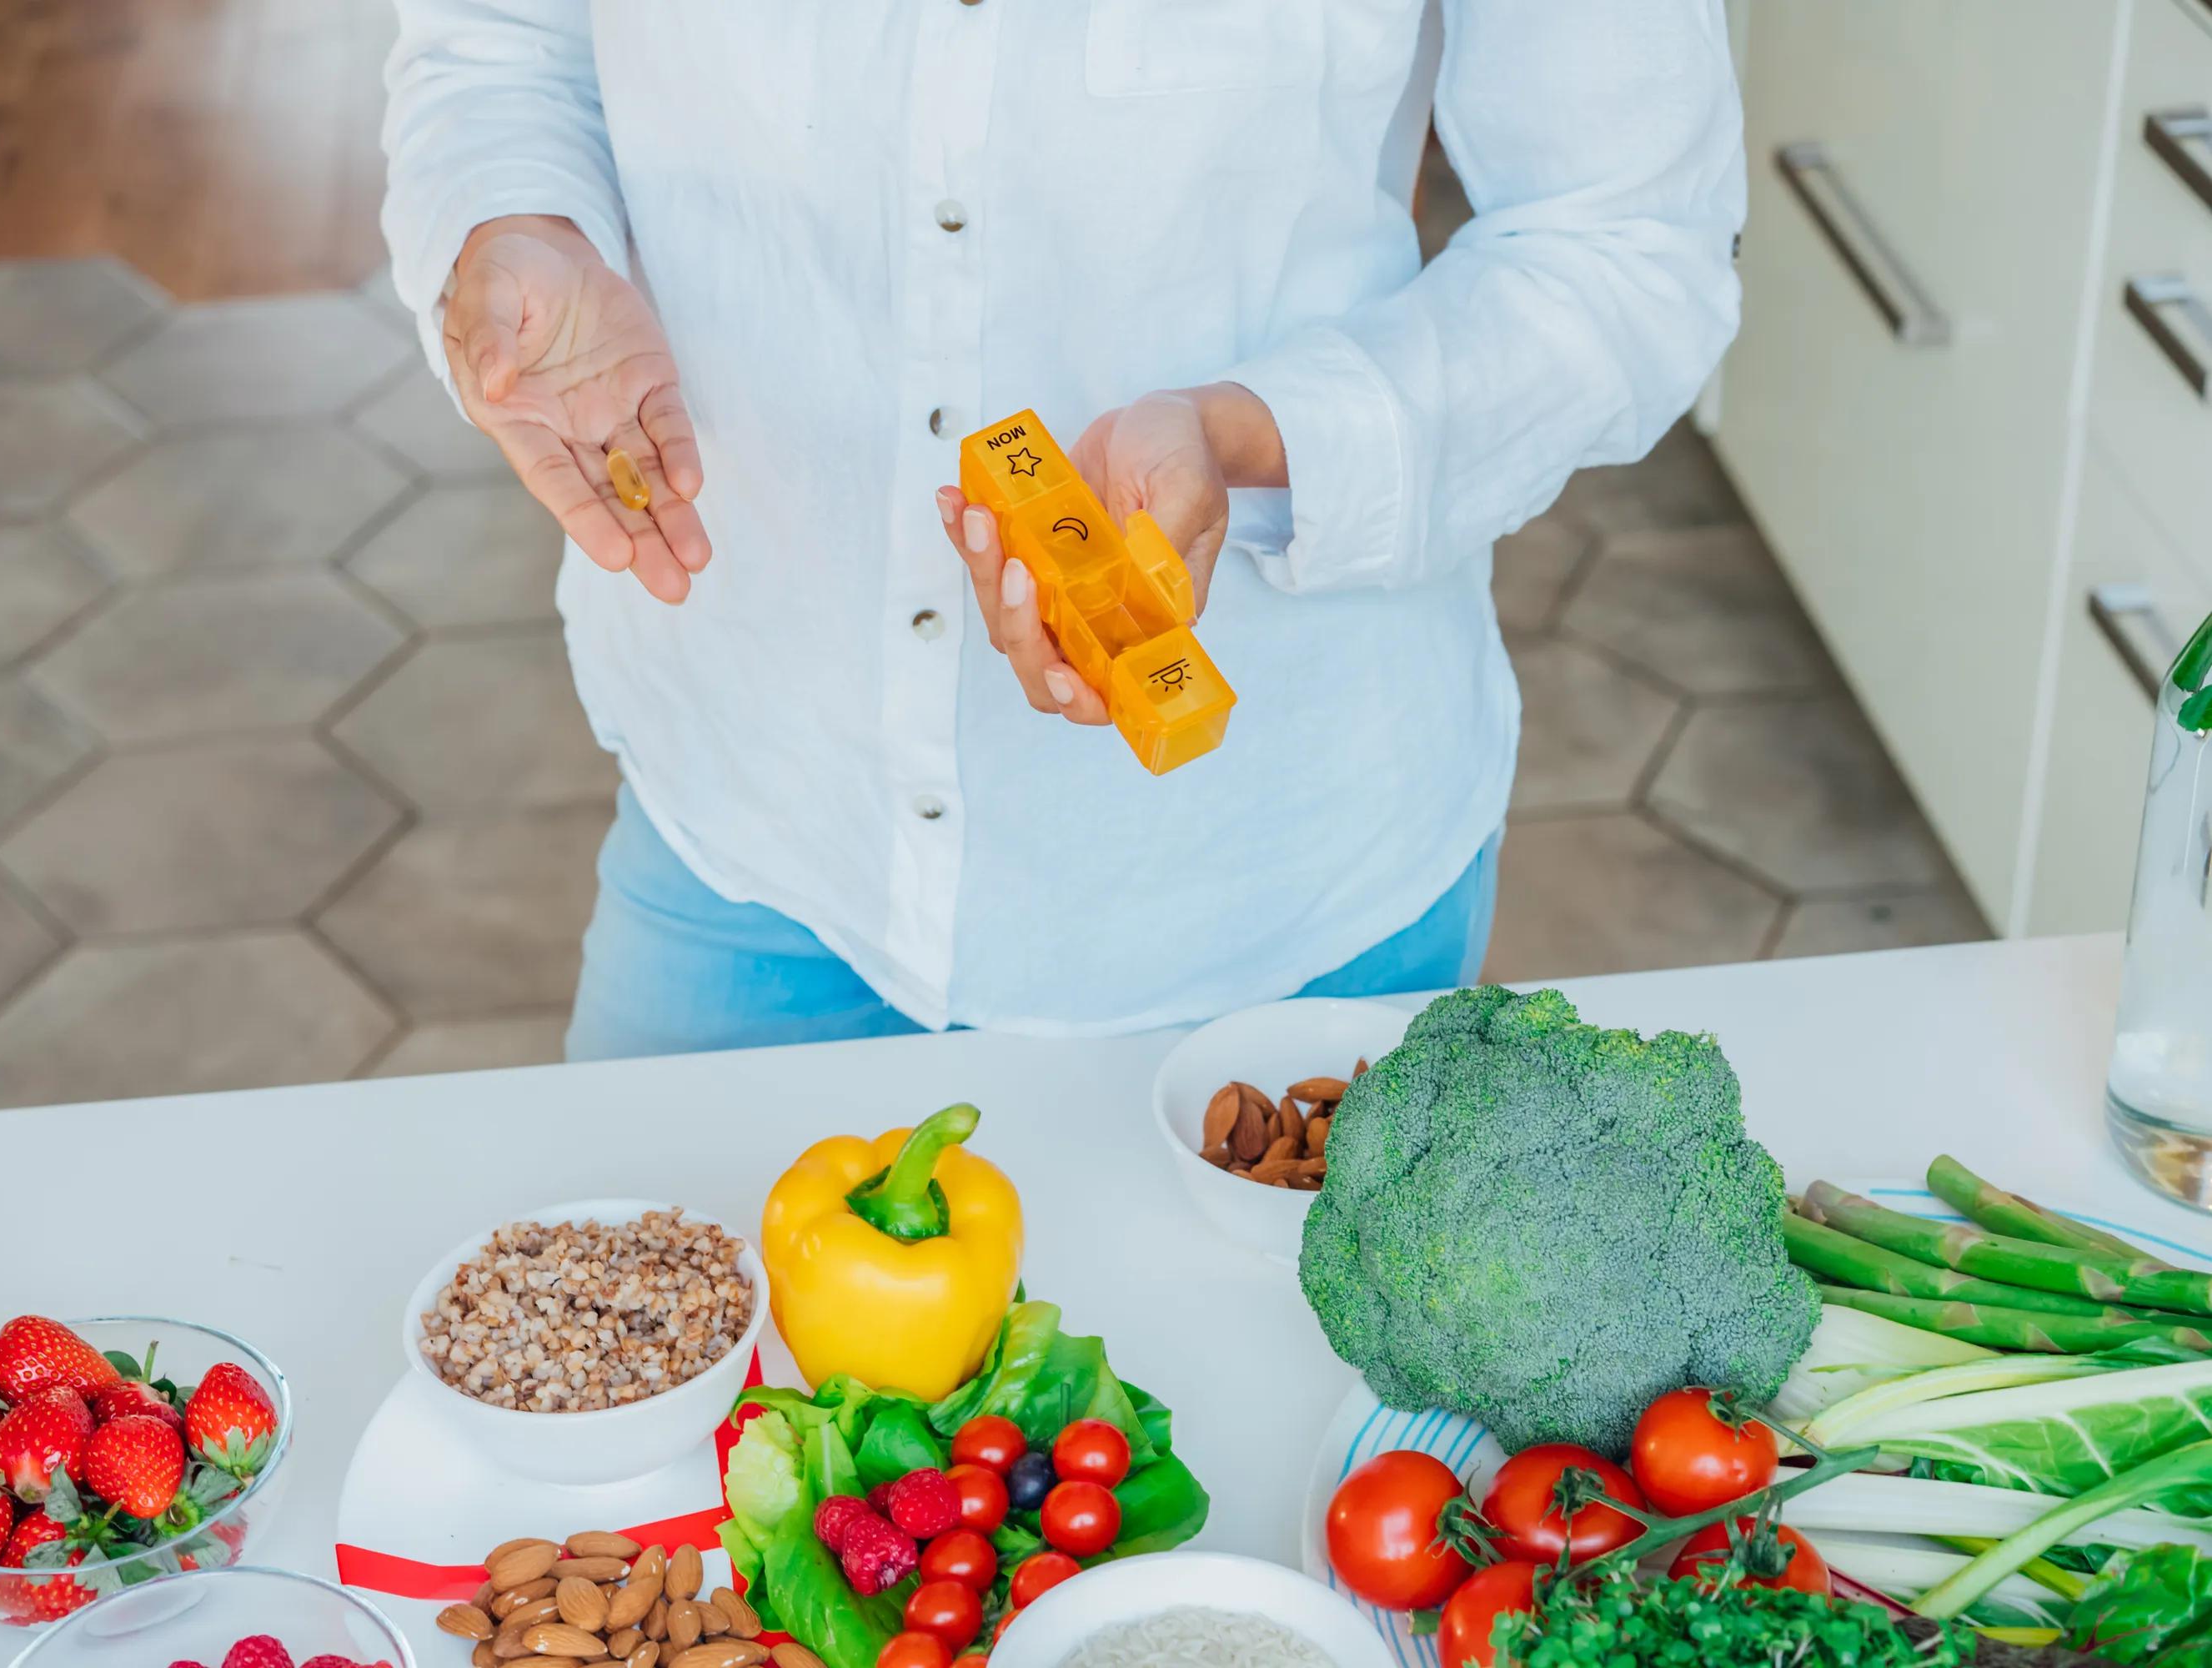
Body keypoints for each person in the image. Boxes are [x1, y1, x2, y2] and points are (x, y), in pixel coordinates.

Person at [380, 2, 1744, 1060]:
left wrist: (1257, 431)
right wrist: (512, 218)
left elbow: (1626, 245)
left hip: (1277, 883)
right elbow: (497, 39)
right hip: (757, 822)